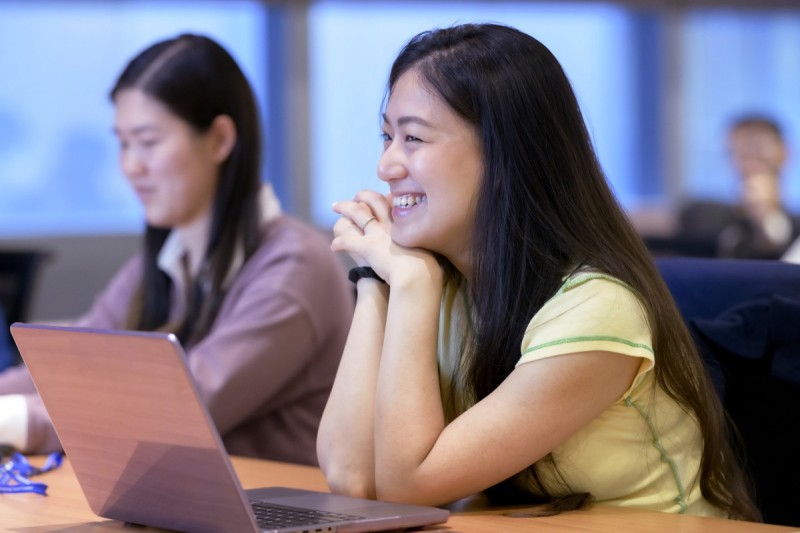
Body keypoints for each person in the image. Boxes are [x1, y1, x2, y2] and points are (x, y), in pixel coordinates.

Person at [317, 23, 760, 520]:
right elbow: (349, 477)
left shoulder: (597, 308)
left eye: (414, 137)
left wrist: (412, 287)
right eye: (387, 135)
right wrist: (376, 282)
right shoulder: (435, 276)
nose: (387, 166)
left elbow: (409, 485)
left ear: (505, 152)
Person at [0, 34, 354, 466]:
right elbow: (70, 364)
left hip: (279, 513)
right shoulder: (169, 257)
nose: (131, 166)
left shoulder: (294, 264)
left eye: (148, 142)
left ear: (220, 140)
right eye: (124, 143)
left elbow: (179, 410)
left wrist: (16, 420)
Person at [677, 115, 799, 259]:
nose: (749, 163)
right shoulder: (704, 215)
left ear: (784, 153)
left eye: (757, 151)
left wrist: (767, 217)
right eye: (739, 153)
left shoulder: (795, 227)